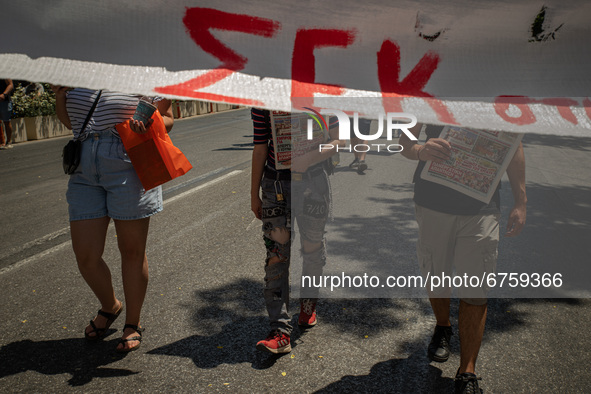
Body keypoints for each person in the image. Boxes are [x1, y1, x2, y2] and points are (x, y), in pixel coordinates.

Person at [399, 124, 526, 393]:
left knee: (476, 289)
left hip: (481, 206)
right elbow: (405, 141)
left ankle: (467, 371)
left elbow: (514, 146)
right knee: (436, 275)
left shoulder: (501, 97)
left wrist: (520, 201)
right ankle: (443, 326)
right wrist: (420, 150)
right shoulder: (427, 91)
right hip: (432, 202)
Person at [53, 86, 174, 353]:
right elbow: (72, 122)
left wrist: (148, 123)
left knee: (131, 250)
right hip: (84, 164)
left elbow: (167, 118)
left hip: (129, 159)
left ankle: (133, 322)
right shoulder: (74, 68)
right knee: (86, 254)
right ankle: (110, 305)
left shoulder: (141, 69)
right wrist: (60, 96)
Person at [250, 108, 342, 353]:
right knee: (276, 255)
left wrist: (309, 159)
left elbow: (338, 141)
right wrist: (253, 194)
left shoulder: (320, 96)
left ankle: (308, 306)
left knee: (312, 249)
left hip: (313, 182)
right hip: (275, 184)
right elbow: (260, 147)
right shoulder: (263, 101)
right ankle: (279, 330)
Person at [0, 79, 14, 149]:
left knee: (6, 121)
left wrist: (4, 94)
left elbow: (10, 85)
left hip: (4, 101)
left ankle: (9, 141)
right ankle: (1, 142)